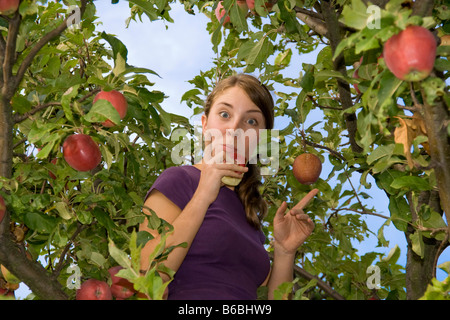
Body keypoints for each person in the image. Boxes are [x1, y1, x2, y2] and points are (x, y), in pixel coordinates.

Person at [139, 73, 317, 300]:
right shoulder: (179, 180)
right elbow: (148, 278)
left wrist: (284, 251)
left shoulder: (248, 215)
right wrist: (203, 194)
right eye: (225, 114)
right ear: (205, 125)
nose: (235, 128)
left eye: (251, 121)